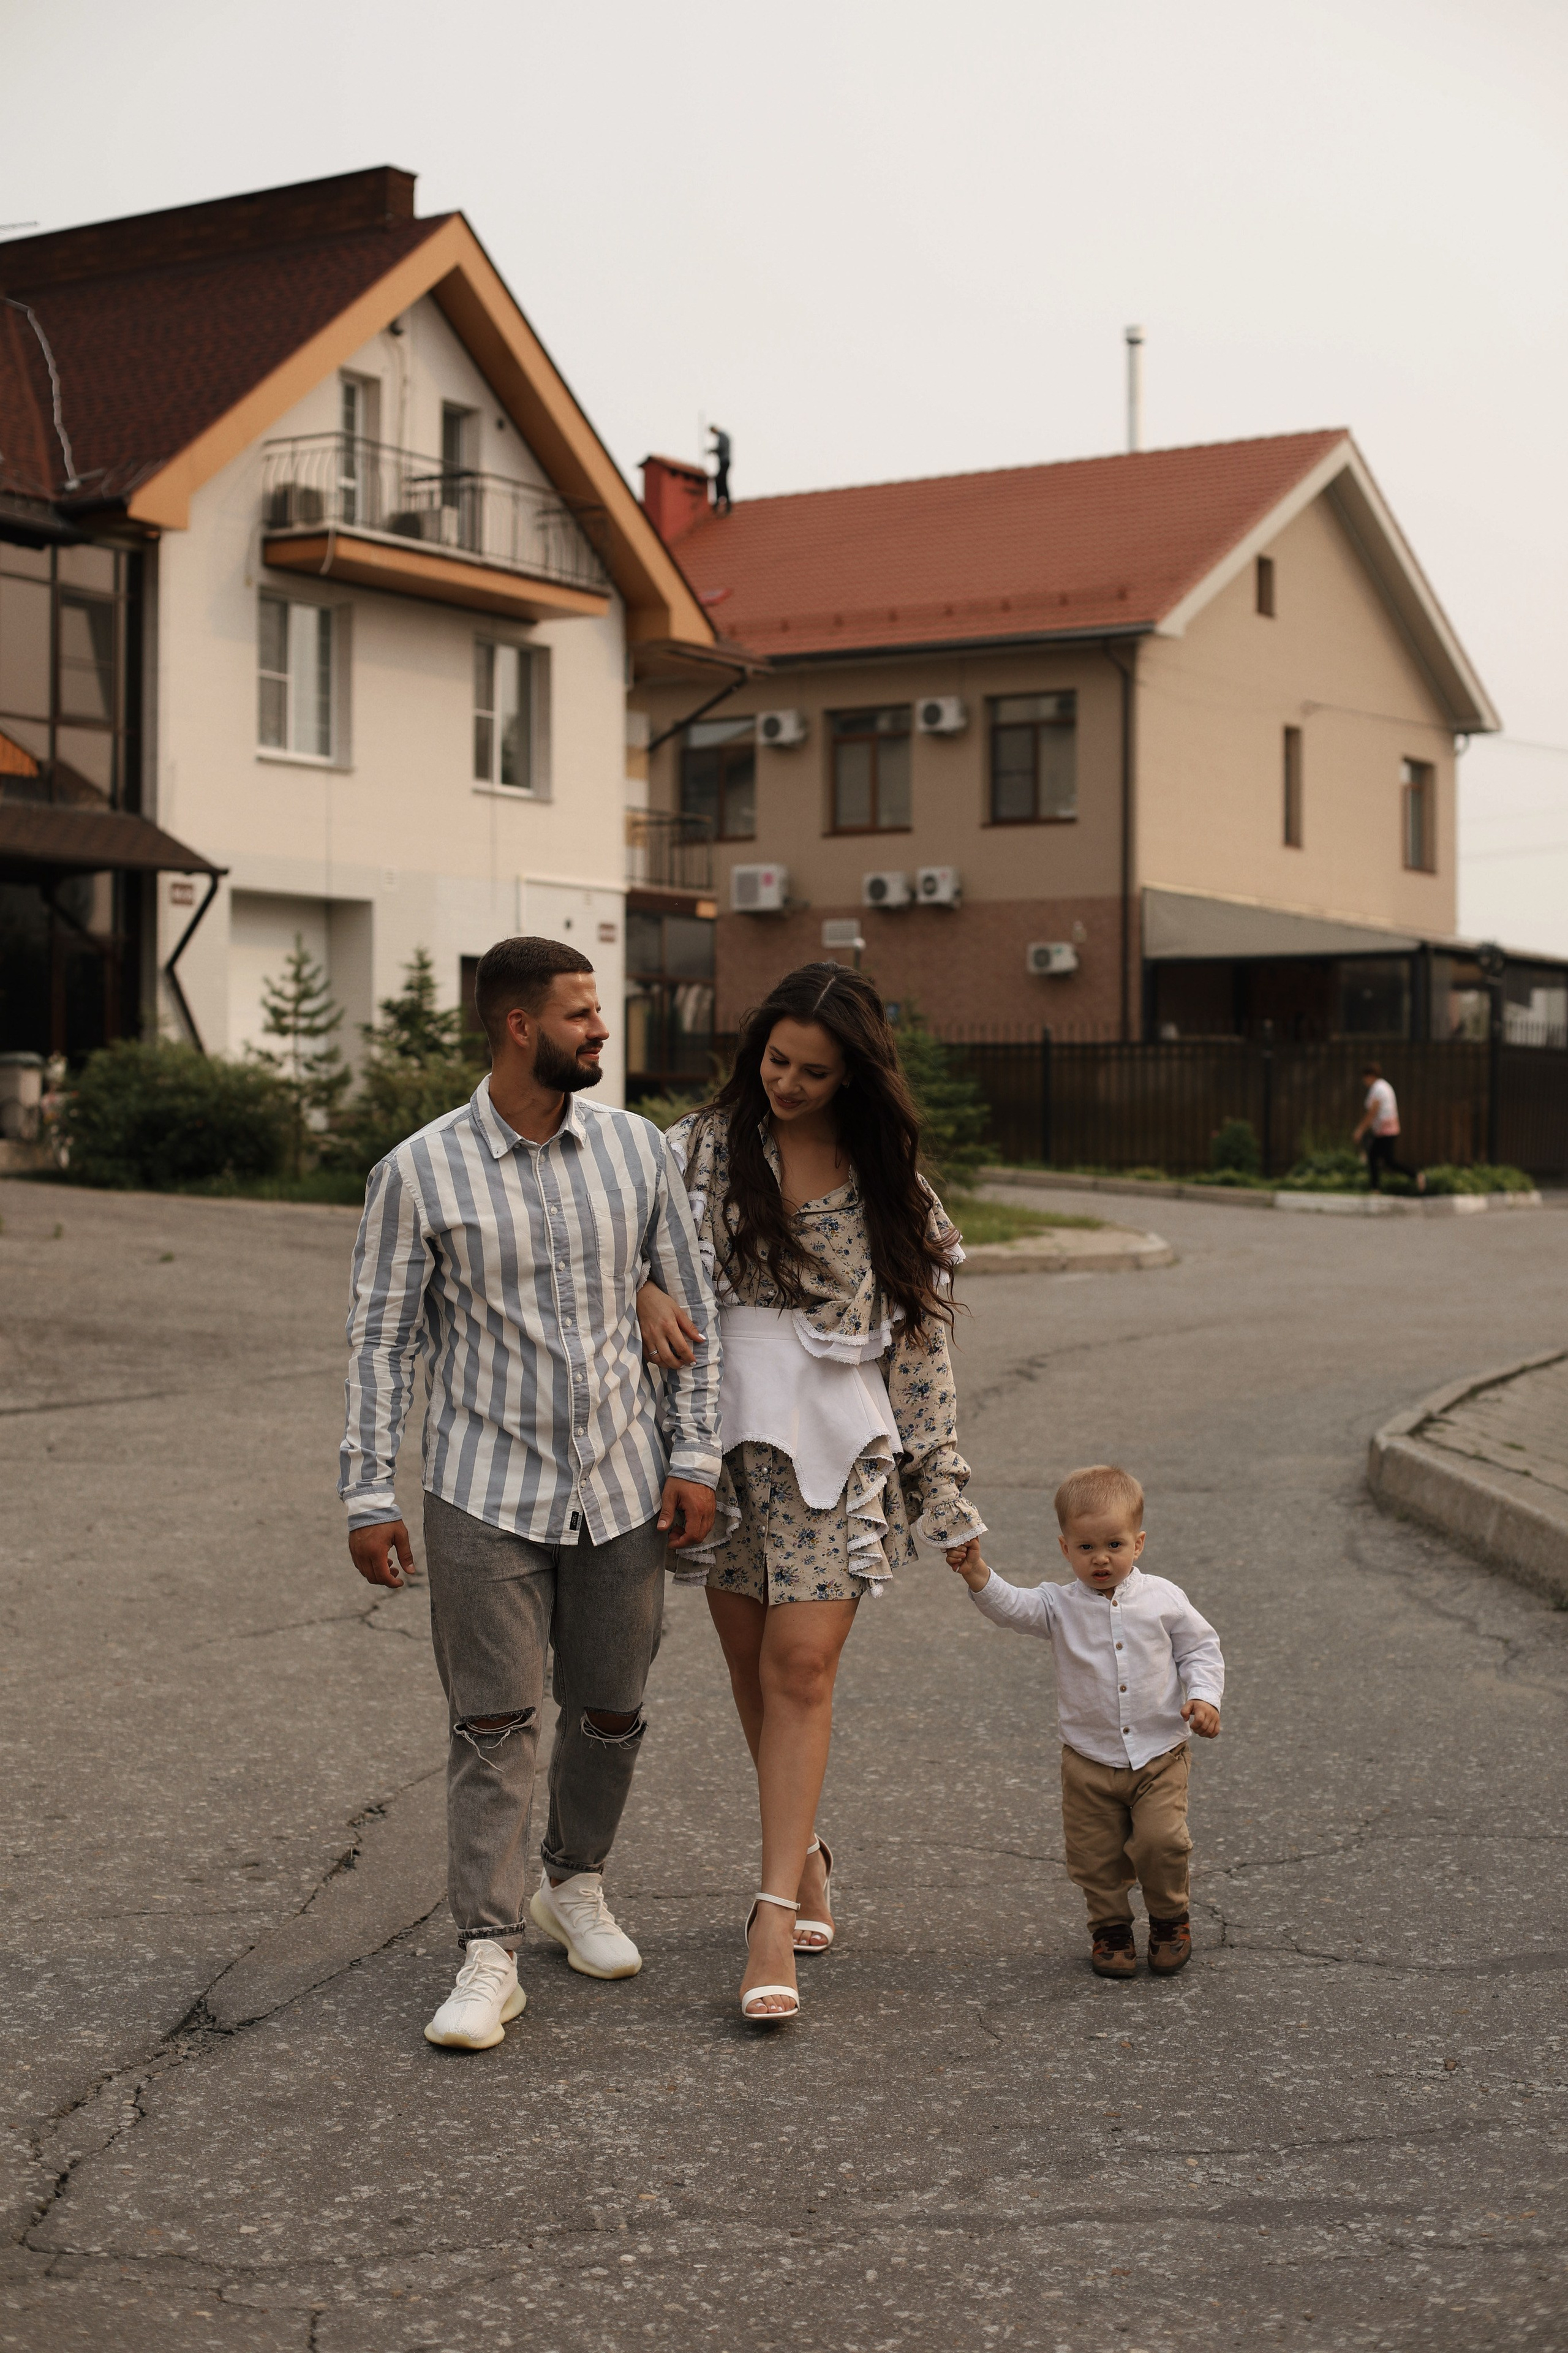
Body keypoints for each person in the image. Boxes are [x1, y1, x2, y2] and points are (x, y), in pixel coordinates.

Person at [340, 937, 720, 2051]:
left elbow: (686, 1318)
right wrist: (369, 1492)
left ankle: (576, 1883)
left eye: (599, 1015)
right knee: (494, 1721)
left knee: (610, 1711)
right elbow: (379, 1343)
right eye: (582, 1016)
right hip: (483, 1491)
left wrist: (692, 1459)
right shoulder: (418, 1171)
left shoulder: (636, 1150)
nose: (602, 1033)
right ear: (519, 1026)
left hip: (621, 1485)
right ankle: (489, 1952)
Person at [636, 964, 985, 2022]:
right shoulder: (692, 1148)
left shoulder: (891, 1185)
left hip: (838, 1445)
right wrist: (647, 1288)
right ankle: (810, 1853)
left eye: (814, 1071)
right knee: (754, 1674)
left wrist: (946, 1496)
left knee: (802, 1666)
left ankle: (771, 1911)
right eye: (777, 1061)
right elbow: (606, 1249)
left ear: (855, 1076)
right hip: (719, 1441)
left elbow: (920, 1352)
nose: (788, 1083)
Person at [946, 1464, 1223, 1980]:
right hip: (1088, 1761)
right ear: (1065, 1547)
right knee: (1094, 1857)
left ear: (1138, 1544)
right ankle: (1111, 1928)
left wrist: (1204, 1697)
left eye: (1115, 1544)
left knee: (1163, 1841)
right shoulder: (1058, 1603)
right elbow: (1013, 1608)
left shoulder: (1163, 1598)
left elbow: (1200, 1649)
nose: (1101, 1558)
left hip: (1159, 1753)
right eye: (1086, 1547)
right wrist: (977, 1573)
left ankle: (1170, 1919)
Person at [1352, 1062, 1424, 1192]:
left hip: (1386, 1130)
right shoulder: (1383, 1086)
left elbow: (1373, 1112)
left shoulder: (1378, 1089)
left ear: (1370, 1076)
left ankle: (1415, 1175)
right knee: (1376, 1157)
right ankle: (1376, 1187)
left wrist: (1360, 1130)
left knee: (1385, 1160)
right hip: (1386, 1129)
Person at [708, 425, 731, 513]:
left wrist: (713, 451)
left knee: (721, 481)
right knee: (721, 481)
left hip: (725, 462)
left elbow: (722, 448)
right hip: (724, 462)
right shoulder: (722, 436)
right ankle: (722, 502)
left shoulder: (722, 436)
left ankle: (722, 503)